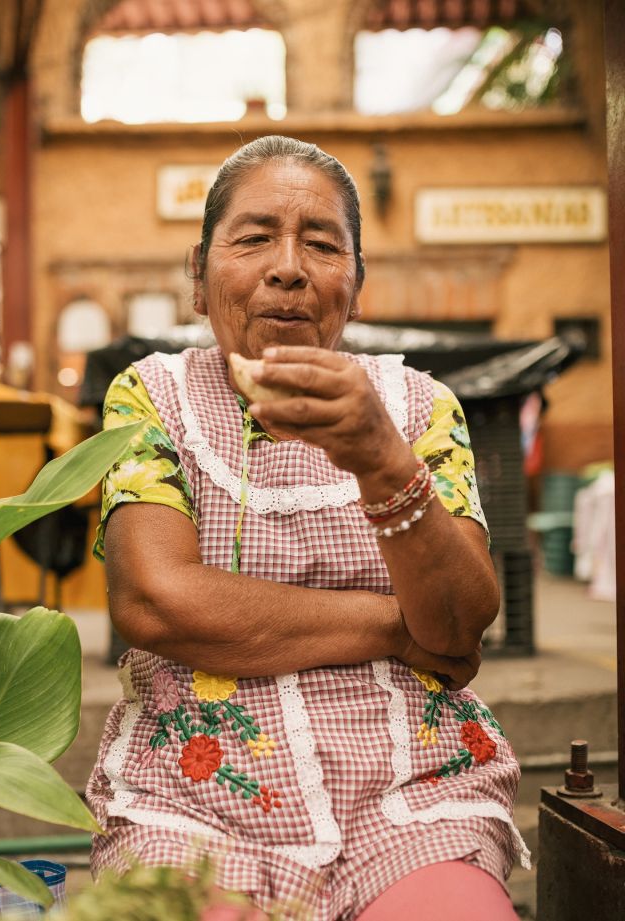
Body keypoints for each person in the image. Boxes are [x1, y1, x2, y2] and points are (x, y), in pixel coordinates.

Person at [85, 135, 528, 921]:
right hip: (191, 803)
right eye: (254, 237)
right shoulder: (149, 397)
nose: (287, 266)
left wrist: (384, 460)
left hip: (410, 799)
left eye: (321, 244)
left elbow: (461, 620)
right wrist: (398, 628)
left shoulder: (421, 408)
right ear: (199, 276)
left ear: (356, 287)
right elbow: (156, 601)